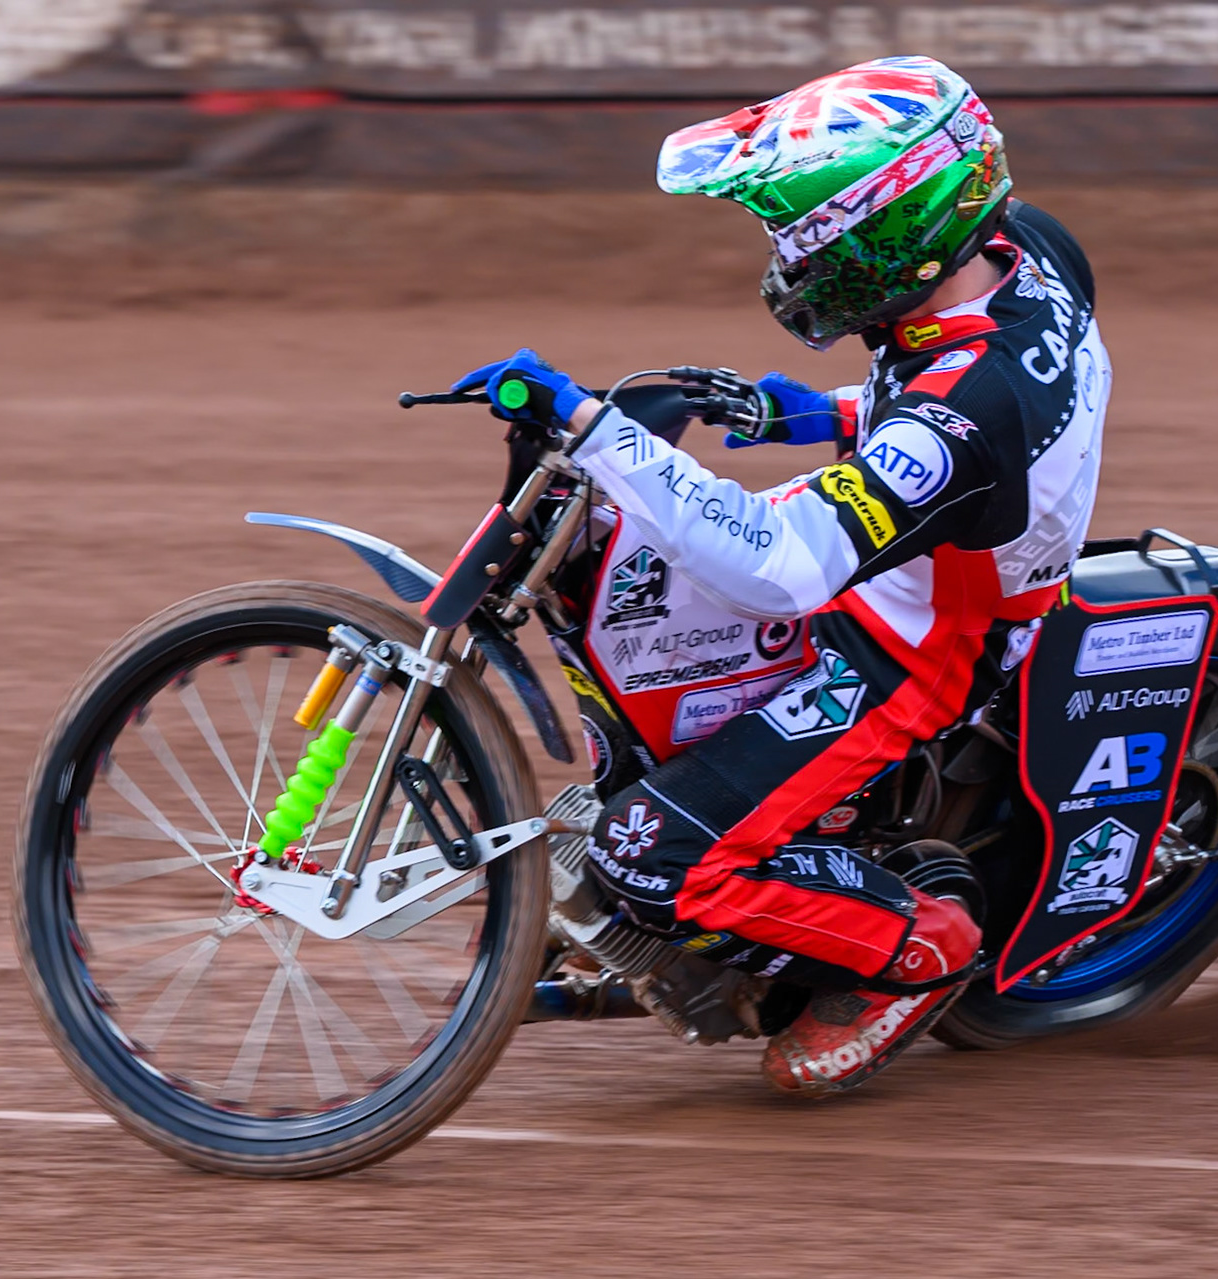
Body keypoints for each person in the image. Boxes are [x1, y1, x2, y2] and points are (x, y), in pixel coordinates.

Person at [453, 55, 1111, 1095]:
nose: (793, 252)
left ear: (902, 225)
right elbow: (940, 389)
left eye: (813, 231)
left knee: (646, 853)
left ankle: (916, 951)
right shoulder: (1023, 249)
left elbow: (788, 568)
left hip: (919, 648)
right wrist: (808, 412)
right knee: (615, 587)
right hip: (928, 547)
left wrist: (593, 426)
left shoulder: (967, 418)